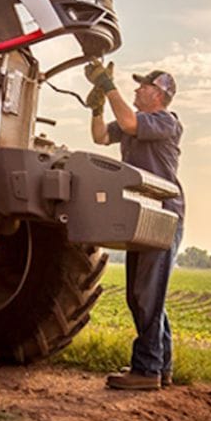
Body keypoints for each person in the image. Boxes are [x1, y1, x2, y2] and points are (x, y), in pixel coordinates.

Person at [85, 61, 185, 391]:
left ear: (159, 94)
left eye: (144, 85)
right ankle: (160, 366)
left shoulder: (165, 121)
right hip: (141, 213)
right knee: (142, 294)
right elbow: (101, 136)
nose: (138, 88)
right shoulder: (137, 121)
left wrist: (107, 85)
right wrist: (97, 107)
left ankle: (147, 370)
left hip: (163, 214)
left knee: (146, 295)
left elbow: (128, 122)